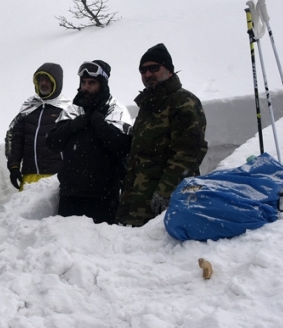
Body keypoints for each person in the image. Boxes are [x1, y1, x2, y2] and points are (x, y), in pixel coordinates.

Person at [116, 44, 207, 227]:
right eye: (143, 70)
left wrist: (166, 192)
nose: (148, 74)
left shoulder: (183, 102)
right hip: (134, 204)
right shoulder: (148, 106)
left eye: (154, 68)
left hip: (163, 206)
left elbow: (188, 154)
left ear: (169, 71)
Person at [46, 60, 132, 224]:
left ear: (103, 84)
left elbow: (123, 147)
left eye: (91, 83)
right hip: (70, 194)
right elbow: (52, 143)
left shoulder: (117, 110)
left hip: (104, 197)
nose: (86, 87)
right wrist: (72, 126)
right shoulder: (72, 109)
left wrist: (99, 123)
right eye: (83, 82)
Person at [5, 62, 70, 190]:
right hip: (29, 175)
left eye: (48, 80)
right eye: (41, 79)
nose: (43, 83)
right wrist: (14, 167)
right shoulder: (29, 108)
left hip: (54, 177)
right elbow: (16, 139)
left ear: (56, 83)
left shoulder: (67, 110)